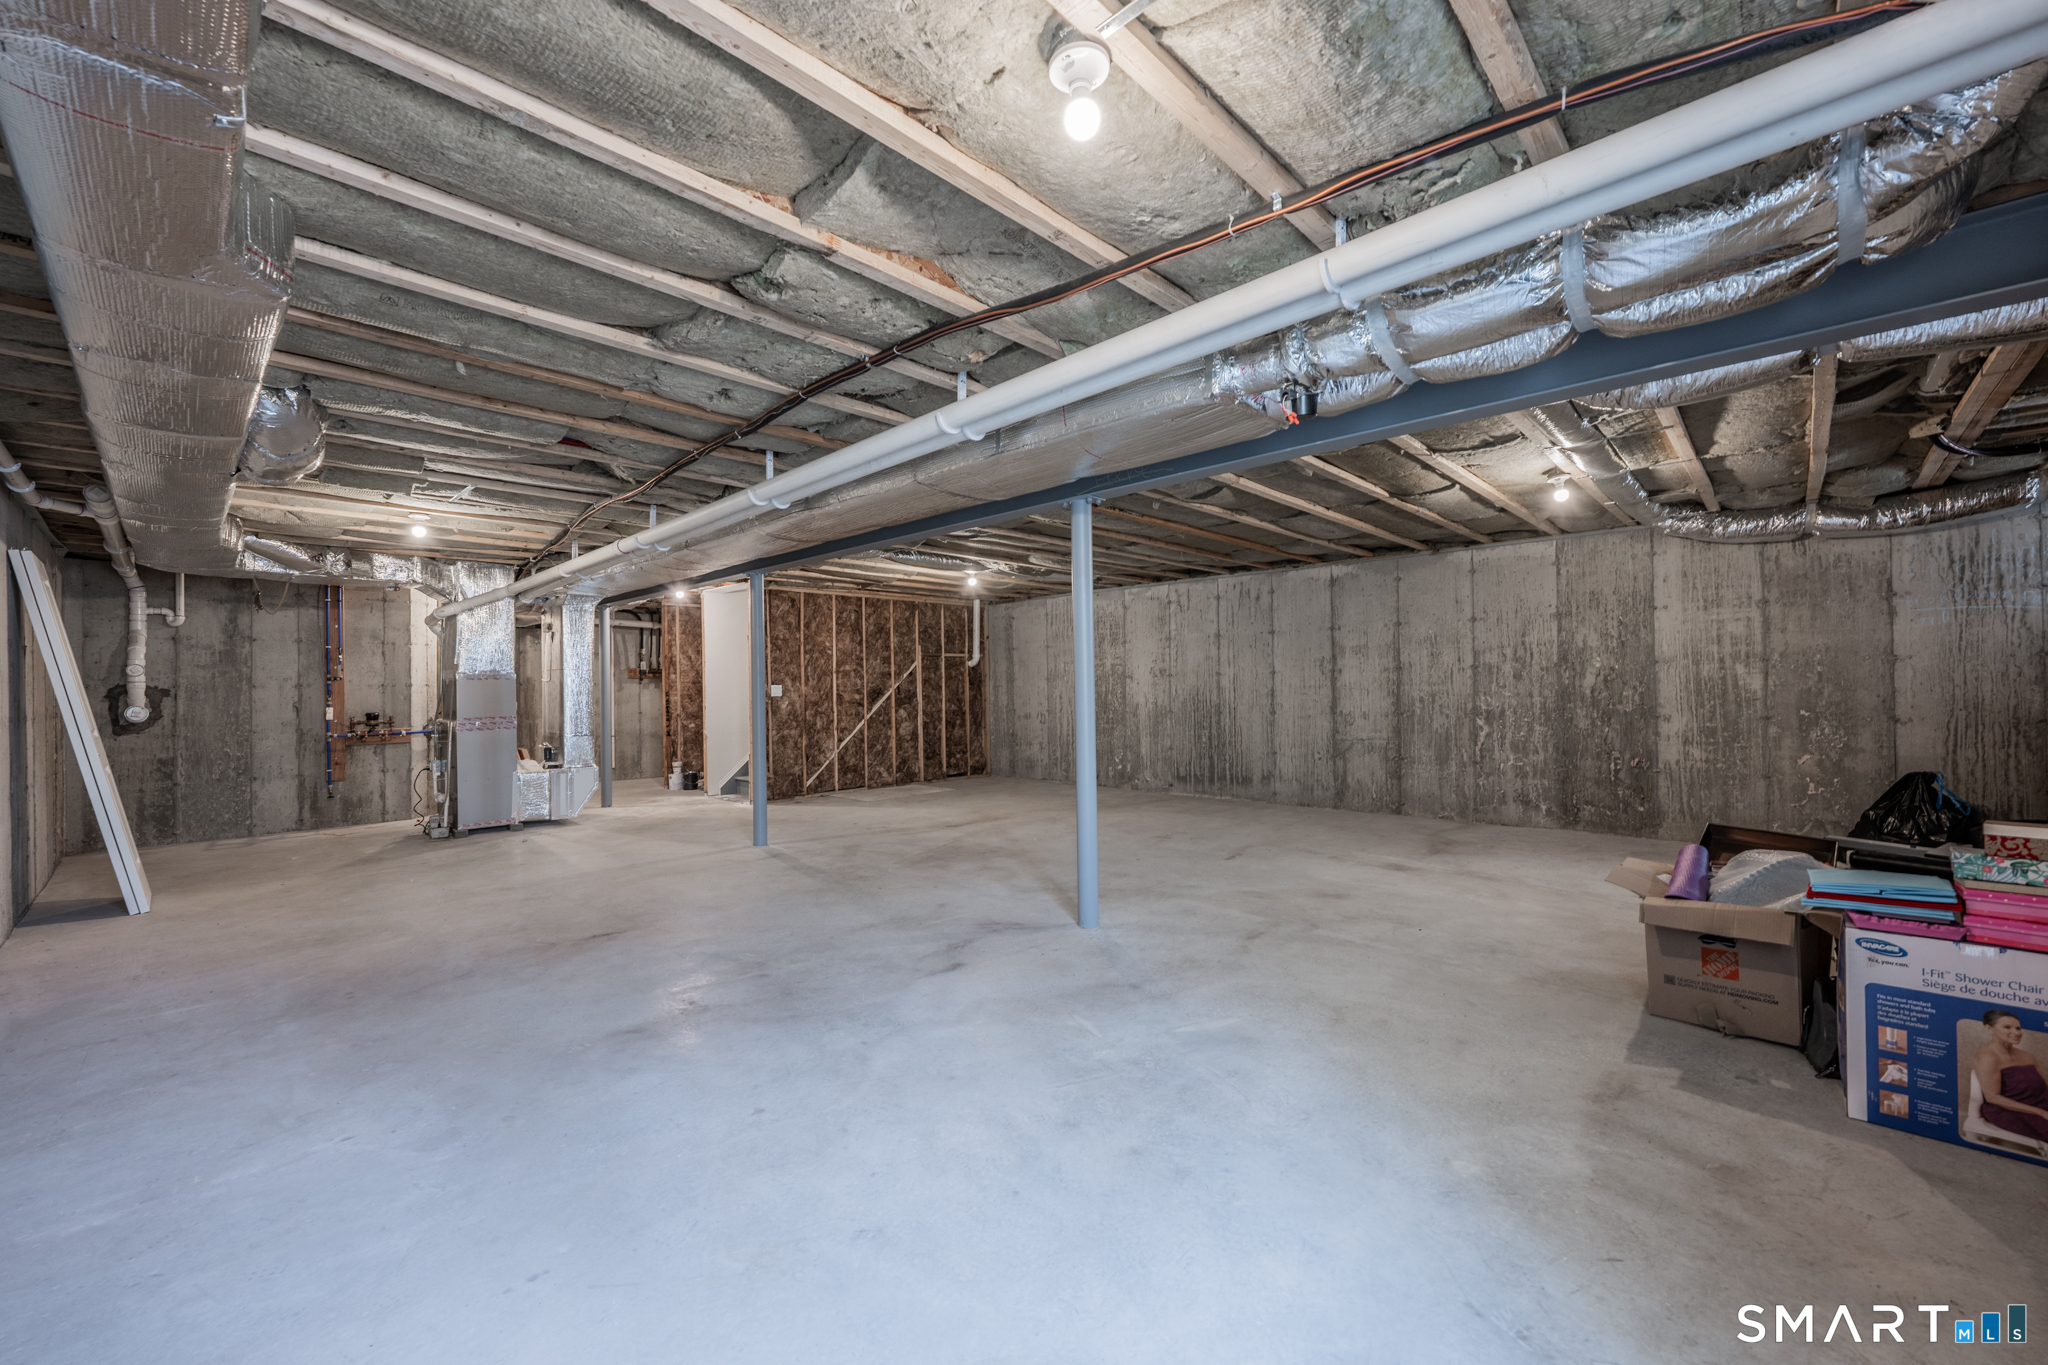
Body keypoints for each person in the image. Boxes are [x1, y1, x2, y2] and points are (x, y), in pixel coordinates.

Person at [1972, 1010, 2048, 1142]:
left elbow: (2043, 1086)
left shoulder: (2027, 1056)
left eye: (2018, 1028)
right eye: (2007, 1027)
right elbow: (1992, 1097)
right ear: (1989, 1028)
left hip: (2040, 1102)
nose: (2017, 1032)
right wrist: (2041, 1112)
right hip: (2008, 1110)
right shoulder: (1988, 1057)